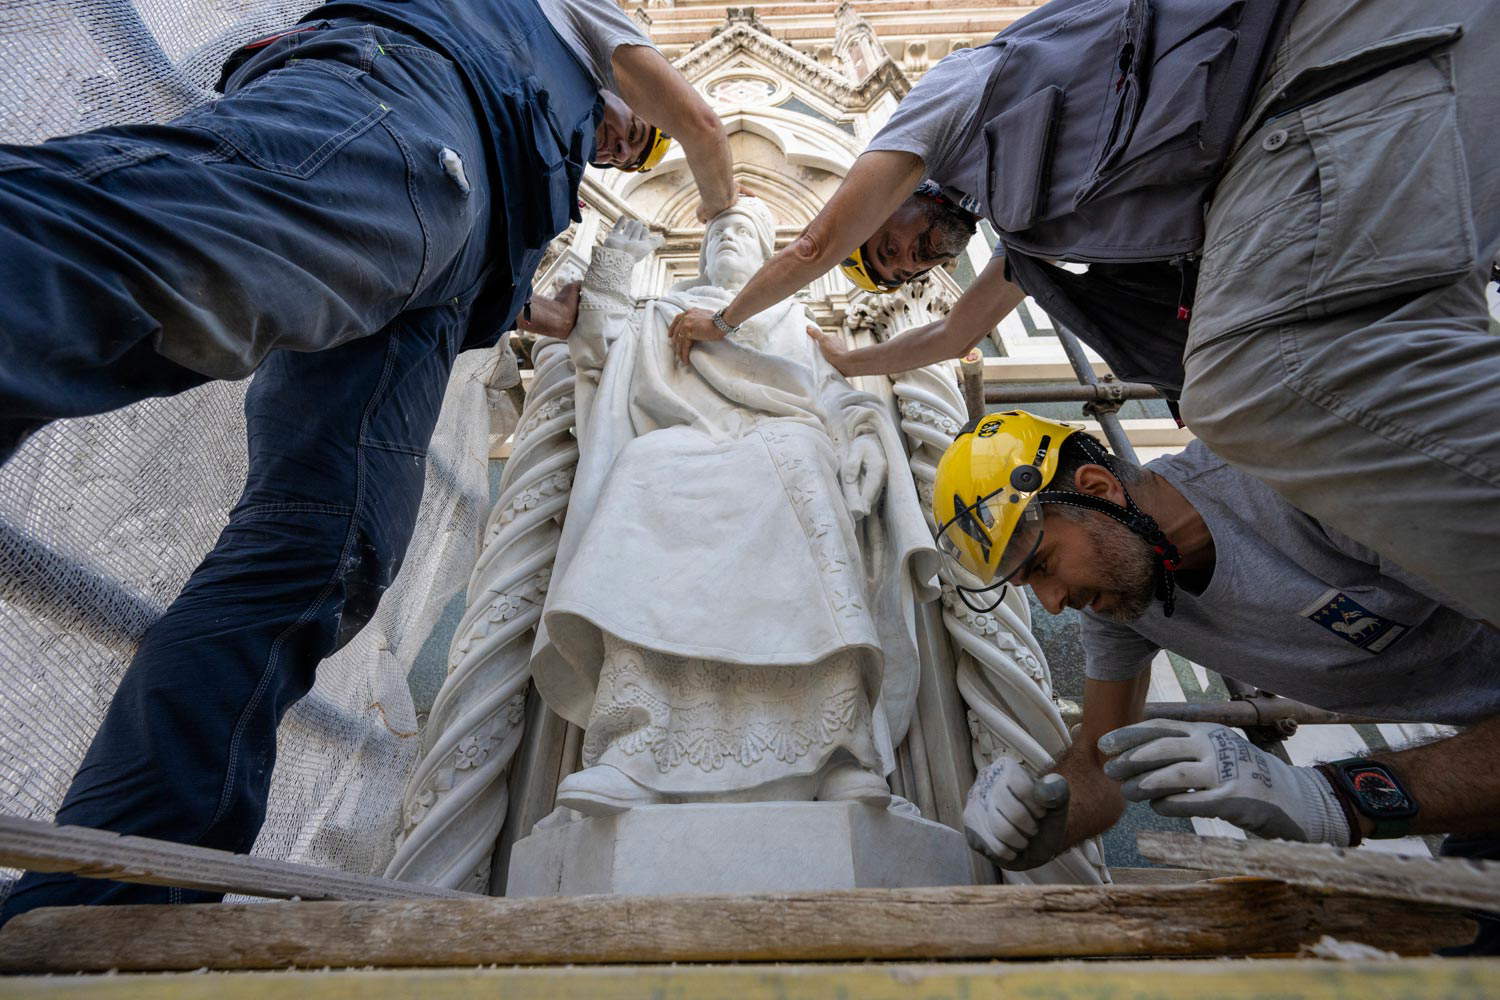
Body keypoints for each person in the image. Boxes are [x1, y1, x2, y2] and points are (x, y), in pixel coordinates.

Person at [0, 0, 734, 922]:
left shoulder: (540, 148)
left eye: (626, 157)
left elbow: (472, 270)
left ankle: (107, 895)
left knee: (323, 550)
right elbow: (701, 123)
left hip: (437, 260)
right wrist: (729, 230)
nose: (620, 149)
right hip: (399, 106)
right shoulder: (572, 18)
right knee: (150, 256)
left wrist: (556, 313)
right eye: (630, 140)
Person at [662, 0, 1500, 629]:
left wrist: (725, 319)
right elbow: (953, 333)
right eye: (897, 269)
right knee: (1388, 368)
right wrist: (844, 363)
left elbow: (813, 246)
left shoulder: (953, 96)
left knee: (1241, 389)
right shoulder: (1029, 232)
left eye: (893, 241)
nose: (913, 258)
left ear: (895, 191)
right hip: (1361, 126)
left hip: (1334, 74)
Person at [939, 410, 1498, 953]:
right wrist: (1042, 818)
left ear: (1099, 488)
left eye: (1042, 566)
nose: (1052, 603)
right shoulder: (1127, 603)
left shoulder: (1299, 477)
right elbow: (1099, 763)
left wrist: (1334, 796)